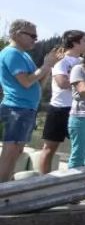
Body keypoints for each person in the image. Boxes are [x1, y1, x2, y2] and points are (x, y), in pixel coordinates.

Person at [0, 20, 62, 182]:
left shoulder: (24, 55)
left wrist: (48, 67)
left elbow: (37, 82)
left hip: (25, 109)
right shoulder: (12, 53)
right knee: (11, 150)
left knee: (17, 151)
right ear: (16, 34)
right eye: (32, 36)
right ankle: (3, 191)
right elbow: (26, 81)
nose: (35, 39)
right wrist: (46, 65)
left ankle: (6, 187)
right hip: (17, 108)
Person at [38, 30, 85, 174]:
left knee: (81, 149)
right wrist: (83, 83)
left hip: (79, 110)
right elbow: (62, 83)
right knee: (49, 149)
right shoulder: (61, 61)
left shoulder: (83, 62)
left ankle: (77, 182)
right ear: (75, 43)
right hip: (59, 109)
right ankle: (44, 183)